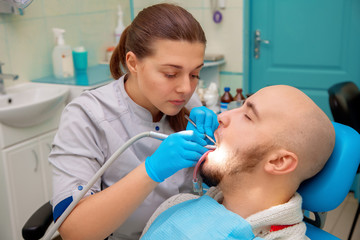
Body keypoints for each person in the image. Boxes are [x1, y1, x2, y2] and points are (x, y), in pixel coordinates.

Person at [49, 3, 218, 240]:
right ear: (133, 63)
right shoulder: (87, 115)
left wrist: (213, 149)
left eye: (194, 74)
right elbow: (74, 231)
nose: (186, 88)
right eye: (170, 74)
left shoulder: (187, 104)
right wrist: (152, 170)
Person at [141, 85, 336, 240]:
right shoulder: (177, 206)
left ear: (279, 161)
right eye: (240, 107)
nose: (221, 117)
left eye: (248, 116)